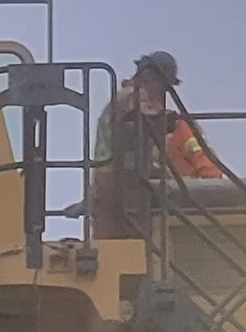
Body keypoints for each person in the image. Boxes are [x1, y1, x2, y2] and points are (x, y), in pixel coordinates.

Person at [90, 48, 220, 235]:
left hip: (113, 184)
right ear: (153, 78)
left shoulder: (122, 98)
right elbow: (143, 125)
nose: (162, 95)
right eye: (164, 87)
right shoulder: (133, 97)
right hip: (123, 186)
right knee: (134, 239)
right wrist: (167, 121)